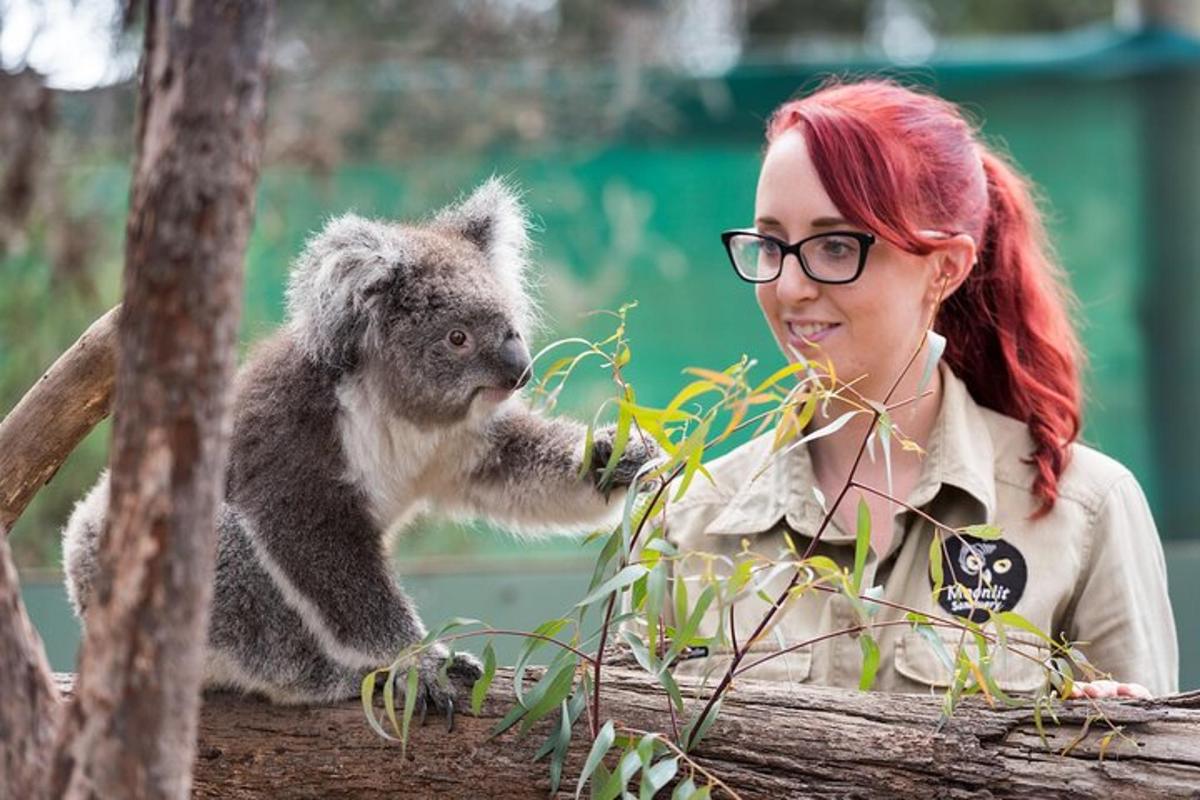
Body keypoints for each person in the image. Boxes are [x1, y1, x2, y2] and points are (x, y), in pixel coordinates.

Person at [663, 78, 1178, 698]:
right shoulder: (685, 521)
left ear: (946, 268)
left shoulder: (1084, 512)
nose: (790, 286)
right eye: (771, 243)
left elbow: (1148, 772)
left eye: (834, 245)